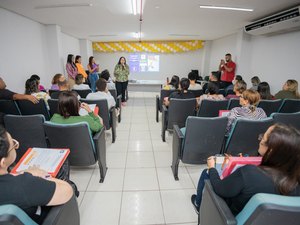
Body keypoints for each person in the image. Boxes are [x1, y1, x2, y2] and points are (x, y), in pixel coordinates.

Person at [191, 124, 300, 215]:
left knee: (206, 173)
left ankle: (198, 204)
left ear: (271, 150)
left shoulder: (249, 173)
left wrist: (212, 168)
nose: (260, 139)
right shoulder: (295, 181)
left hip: (229, 216)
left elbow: (220, 189)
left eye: (263, 137)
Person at [0, 126, 73, 223]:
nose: (16, 146)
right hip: (41, 218)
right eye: (13, 145)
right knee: (70, 184)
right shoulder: (23, 185)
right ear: (3, 162)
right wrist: (42, 175)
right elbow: (67, 191)